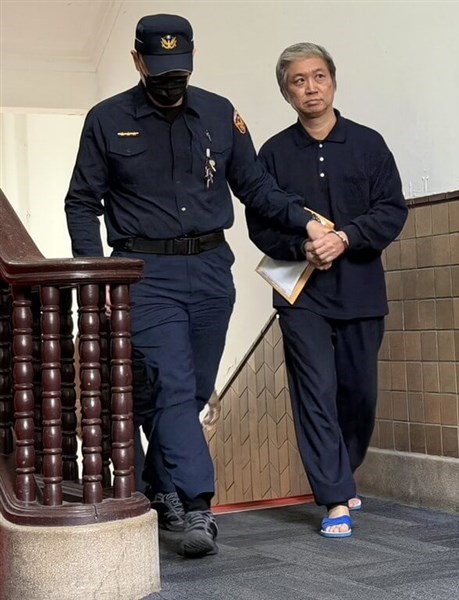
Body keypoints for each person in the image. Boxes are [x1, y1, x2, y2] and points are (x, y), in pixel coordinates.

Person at [64, 15, 326, 558]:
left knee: (189, 392)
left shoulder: (217, 112)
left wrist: (305, 220)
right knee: (176, 388)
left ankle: (155, 486)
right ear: (137, 61)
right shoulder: (106, 120)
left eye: (178, 74)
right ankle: (194, 505)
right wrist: (97, 277)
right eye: (159, 73)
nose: (169, 84)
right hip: (145, 272)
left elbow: (253, 185)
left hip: (210, 269)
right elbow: (82, 202)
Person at [246, 42, 407, 538]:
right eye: (299, 80)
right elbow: (261, 225)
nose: (310, 87)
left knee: (358, 393)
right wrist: (304, 246)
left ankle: (345, 467)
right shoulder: (272, 154)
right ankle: (335, 498)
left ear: (333, 81)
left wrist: (345, 238)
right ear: (286, 91)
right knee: (313, 393)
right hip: (303, 297)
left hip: (360, 290)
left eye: (318, 77)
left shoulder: (369, 144)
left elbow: (391, 210)